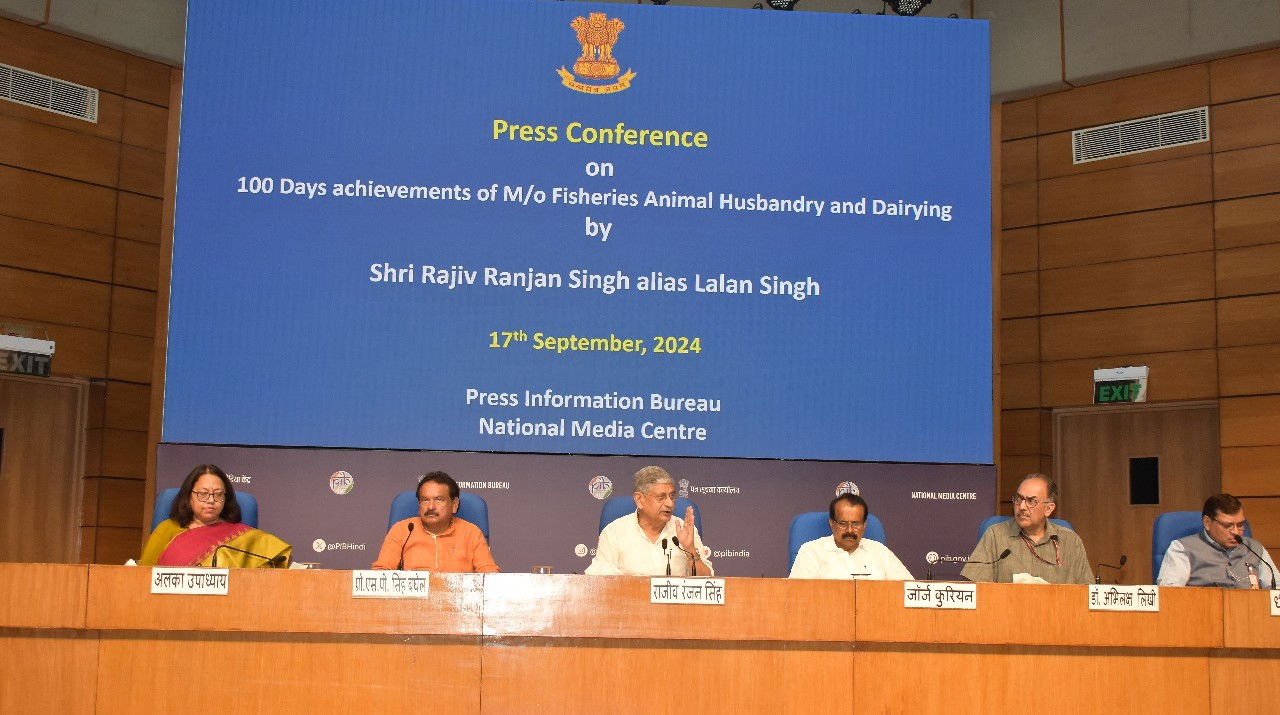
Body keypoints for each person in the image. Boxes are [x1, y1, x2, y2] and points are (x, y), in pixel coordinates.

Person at [139, 464, 292, 567]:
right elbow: (142, 577)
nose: (211, 500)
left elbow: (280, 559)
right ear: (188, 496)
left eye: (218, 494)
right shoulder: (166, 529)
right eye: (203, 494)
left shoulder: (243, 536)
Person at [962, 474, 1092, 584]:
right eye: (1019, 499)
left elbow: (1087, 594)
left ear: (1048, 509)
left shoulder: (1070, 541)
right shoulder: (995, 535)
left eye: (1031, 501)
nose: (1022, 506)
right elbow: (976, 590)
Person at [586, 465, 713, 576]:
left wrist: (690, 549)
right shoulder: (614, 532)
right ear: (639, 500)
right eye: (661, 497)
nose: (669, 503)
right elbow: (598, 580)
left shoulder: (684, 530)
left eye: (672, 496)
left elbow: (708, 581)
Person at [372, 471, 499, 572]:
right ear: (419, 504)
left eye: (438, 499)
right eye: (425, 500)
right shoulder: (402, 530)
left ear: (454, 504)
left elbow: (490, 577)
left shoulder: (471, 533)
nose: (431, 507)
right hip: (411, 603)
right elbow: (381, 573)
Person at [1157, 493, 1278, 588]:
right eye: (1227, 526)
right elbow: (1170, 595)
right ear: (1207, 522)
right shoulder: (1182, 549)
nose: (1236, 532)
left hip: (1250, 615)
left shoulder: (1255, 549)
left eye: (1240, 524)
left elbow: (1276, 590)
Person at [789, 493, 913, 580]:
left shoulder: (879, 551)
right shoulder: (811, 551)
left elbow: (907, 589)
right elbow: (797, 594)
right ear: (832, 523)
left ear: (864, 525)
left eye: (855, 524)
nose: (849, 530)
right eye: (843, 523)